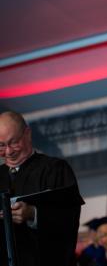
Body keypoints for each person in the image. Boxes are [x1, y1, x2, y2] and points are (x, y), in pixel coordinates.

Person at [0, 111, 84, 266]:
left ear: (27, 134)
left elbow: (69, 218)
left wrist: (33, 214)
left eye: (14, 142)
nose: (9, 152)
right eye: (1, 145)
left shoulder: (55, 169)